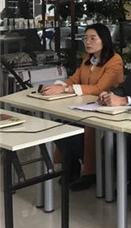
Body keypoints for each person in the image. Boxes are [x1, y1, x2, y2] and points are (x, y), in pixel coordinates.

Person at [42, 24, 123, 189]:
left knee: (78, 132)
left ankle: (91, 171)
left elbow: (100, 88)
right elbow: (74, 79)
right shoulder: (88, 58)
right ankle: (71, 168)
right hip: (84, 107)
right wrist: (57, 86)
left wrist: (65, 90)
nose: (88, 42)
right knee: (59, 126)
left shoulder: (115, 60)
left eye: (93, 38)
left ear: (104, 40)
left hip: (105, 110)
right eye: (85, 38)